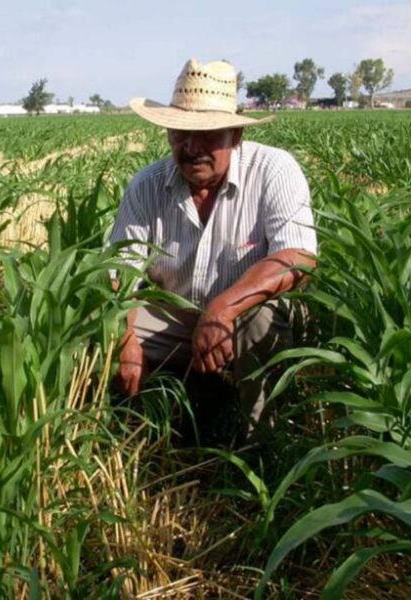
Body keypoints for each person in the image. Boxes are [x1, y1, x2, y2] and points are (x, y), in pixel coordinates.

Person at [110, 59, 317, 438]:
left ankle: (261, 441)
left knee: (262, 320)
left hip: (244, 316)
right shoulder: (147, 185)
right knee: (101, 326)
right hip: (175, 316)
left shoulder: (273, 170)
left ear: (235, 135)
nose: (192, 148)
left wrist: (222, 309)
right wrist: (123, 342)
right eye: (180, 134)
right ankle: (135, 428)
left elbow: (297, 256)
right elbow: (119, 274)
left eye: (208, 135)